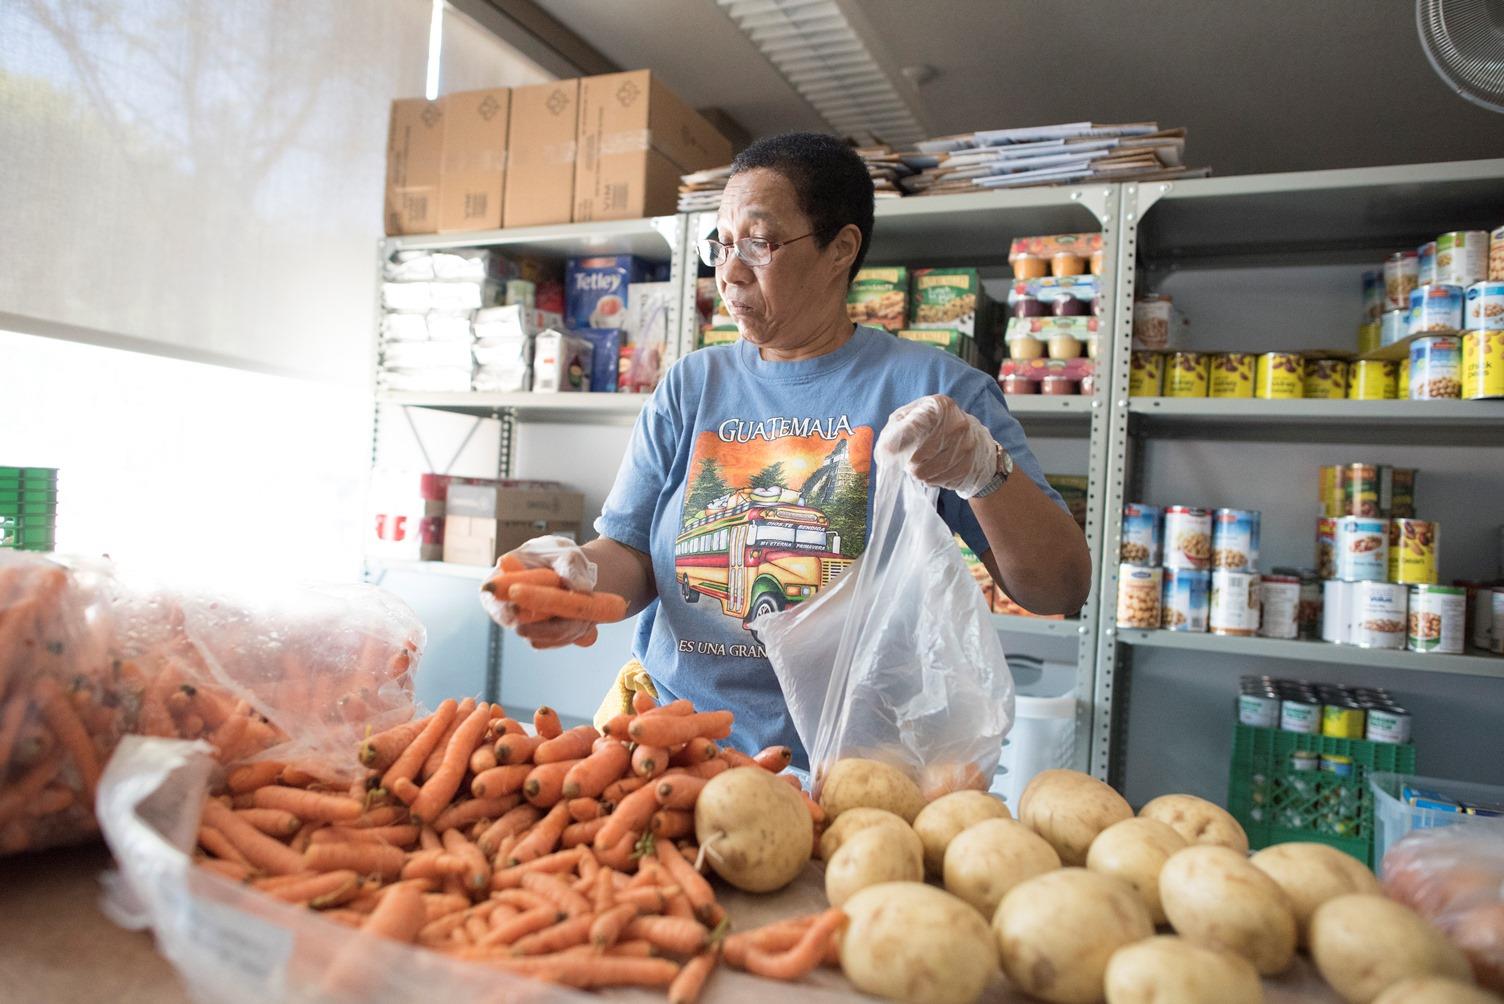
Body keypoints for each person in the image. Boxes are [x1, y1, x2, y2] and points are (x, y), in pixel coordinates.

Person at [485, 132, 1092, 760]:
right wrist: (575, 577)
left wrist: (983, 471)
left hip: (856, 762)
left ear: (841, 249)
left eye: (758, 241)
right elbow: (632, 555)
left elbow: (1059, 589)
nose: (730, 269)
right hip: (675, 744)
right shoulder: (692, 384)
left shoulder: (935, 390)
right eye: (720, 243)